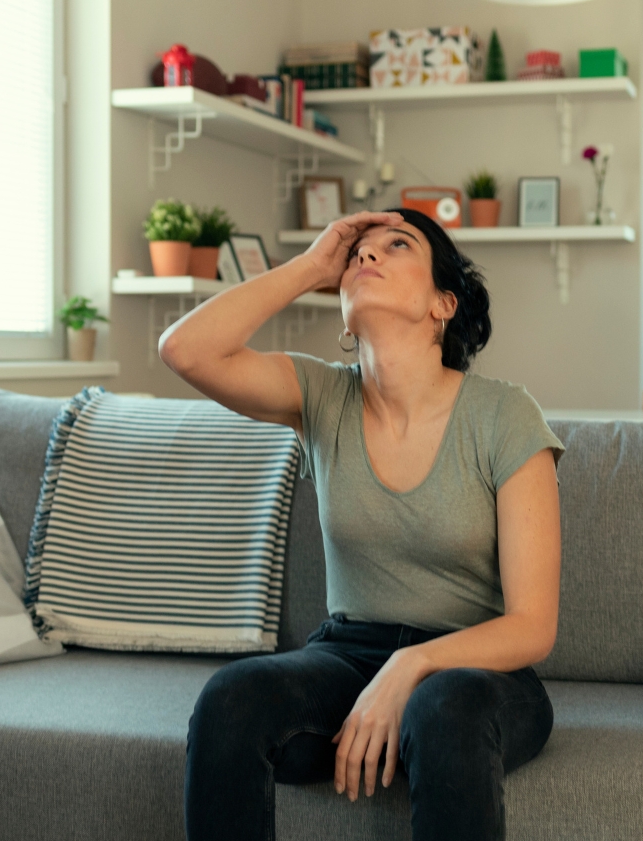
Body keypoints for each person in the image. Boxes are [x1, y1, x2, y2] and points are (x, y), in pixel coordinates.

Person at [159, 208, 564, 841]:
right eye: (357, 254)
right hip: (347, 656)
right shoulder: (322, 396)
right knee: (230, 699)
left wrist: (408, 669)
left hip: (478, 673)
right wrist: (311, 266)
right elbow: (185, 349)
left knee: (442, 705)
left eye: (395, 246)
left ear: (442, 303)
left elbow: (533, 627)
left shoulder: (504, 415)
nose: (365, 257)